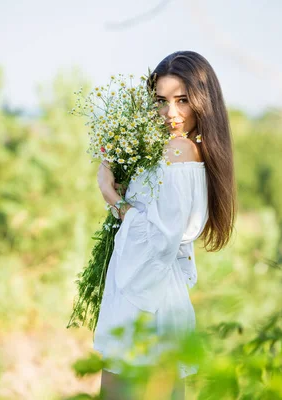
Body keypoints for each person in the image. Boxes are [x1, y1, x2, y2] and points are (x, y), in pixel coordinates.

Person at [94, 50, 237, 399]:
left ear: (202, 102)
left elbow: (159, 239)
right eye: (161, 101)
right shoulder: (176, 149)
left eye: (182, 100)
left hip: (147, 295)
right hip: (150, 288)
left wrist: (111, 195)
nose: (170, 113)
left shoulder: (180, 151)